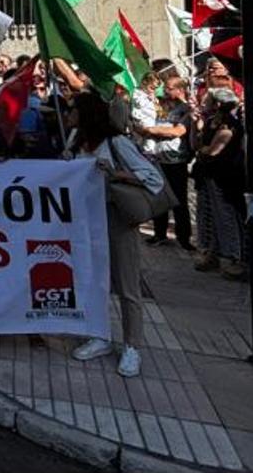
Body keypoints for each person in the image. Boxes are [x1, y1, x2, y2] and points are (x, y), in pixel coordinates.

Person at [67, 91, 165, 378]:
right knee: (94, 279)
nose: (68, 114)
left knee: (126, 284)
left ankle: (132, 346)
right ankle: (100, 335)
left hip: (116, 217)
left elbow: (152, 177)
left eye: (73, 110)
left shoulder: (117, 142)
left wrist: (117, 174)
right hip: (87, 218)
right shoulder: (74, 140)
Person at [191, 88, 246, 280]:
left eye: (208, 99)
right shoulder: (209, 122)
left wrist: (203, 149)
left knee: (225, 217)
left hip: (223, 177)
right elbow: (197, 146)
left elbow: (212, 151)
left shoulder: (229, 126)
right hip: (206, 175)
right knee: (208, 214)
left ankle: (232, 258)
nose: (204, 101)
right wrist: (194, 126)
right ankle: (211, 253)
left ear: (218, 104)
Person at [141, 76, 194, 250]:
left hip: (176, 160)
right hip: (158, 158)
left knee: (179, 199)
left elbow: (177, 131)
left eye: (170, 88)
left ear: (180, 90)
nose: (165, 91)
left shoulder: (186, 109)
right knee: (159, 197)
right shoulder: (161, 107)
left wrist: (151, 130)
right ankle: (160, 233)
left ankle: (184, 237)